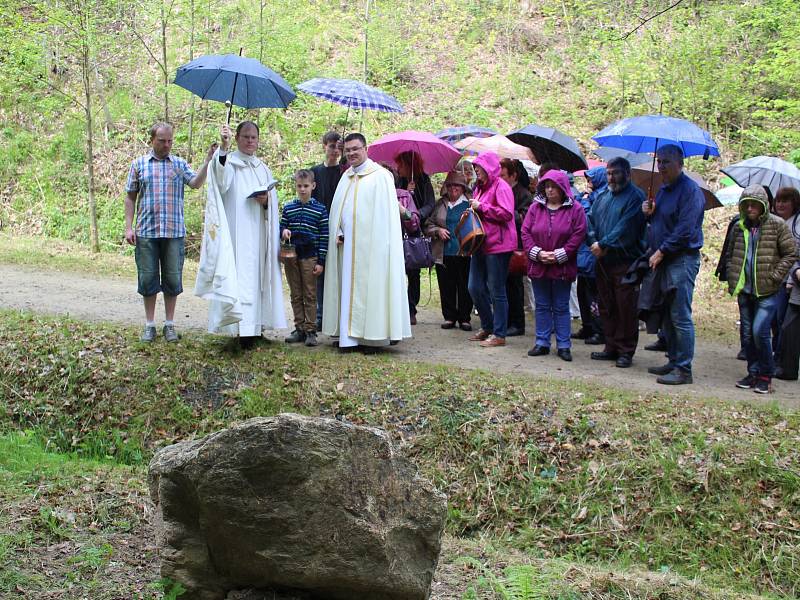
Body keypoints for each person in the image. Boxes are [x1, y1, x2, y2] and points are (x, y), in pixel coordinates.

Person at [195, 121, 286, 349]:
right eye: (245, 136)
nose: (249, 141)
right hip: (237, 233)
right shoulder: (229, 162)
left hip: (259, 235)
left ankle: (256, 327)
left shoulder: (262, 168)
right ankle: (239, 328)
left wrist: (267, 203)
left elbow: (272, 202)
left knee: (257, 279)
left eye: (253, 137)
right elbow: (222, 182)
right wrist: (223, 149)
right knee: (239, 278)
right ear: (236, 138)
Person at [125, 122, 215, 343]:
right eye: (162, 141)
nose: (166, 145)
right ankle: (149, 325)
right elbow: (130, 196)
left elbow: (195, 183)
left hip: (174, 231)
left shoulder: (178, 164)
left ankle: (170, 324)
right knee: (147, 279)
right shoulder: (139, 165)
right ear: (152, 140)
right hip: (146, 231)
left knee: (173, 279)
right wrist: (128, 227)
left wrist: (207, 162)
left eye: (170, 141)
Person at [322, 133, 411, 352]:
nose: (352, 153)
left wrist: (378, 242)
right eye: (349, 150)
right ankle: (347, 335)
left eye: (356, 149)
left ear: (366, 149)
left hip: (372, 248)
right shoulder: (346, 177)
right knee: (346, 287)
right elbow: (339, 211)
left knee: (371, 289)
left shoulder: (381, 177)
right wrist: (339, 229)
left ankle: (372, 337)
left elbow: (385, 217)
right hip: (347, 247)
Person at [641, 144, 705, 385]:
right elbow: (660, 222)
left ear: (680, 164)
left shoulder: (690, 191)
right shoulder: (664, 190)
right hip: (663, 259)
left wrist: (662, 251)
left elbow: (685, 230)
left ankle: (684, 369)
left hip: (682, 259)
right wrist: (649, 212)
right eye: (659, 162)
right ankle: (673, 359)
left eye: (666, 162)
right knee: (667, 313)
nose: (662, 166)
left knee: (680, 314)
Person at [725, 185, 796, 393]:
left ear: (763, 205)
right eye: (746, 204)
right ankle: (753, 372)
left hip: (767, 290)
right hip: (745, 291)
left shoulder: (777, 225)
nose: (750, 208)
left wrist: (775, 276)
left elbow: (790, 254)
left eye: (754, 204)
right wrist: (732, 275)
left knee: (760, 332)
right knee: (747, 335)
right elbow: (730, 255)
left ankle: (766, 373)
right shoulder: (739, 226)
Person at [586, 157, 647, 368]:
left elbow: (626, 227)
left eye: (616, 173)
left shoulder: (636, 197)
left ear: (627, 174)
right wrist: (593, 241)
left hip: (625, 260)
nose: (612, 177)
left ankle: (625, 350)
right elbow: (590, 219)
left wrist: (603, 244)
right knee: (606, 304)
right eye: (609, 173)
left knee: (625, 307)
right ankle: (610, 345)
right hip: (602, 260)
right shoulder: (604, 195)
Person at [522, 170, 587, 361]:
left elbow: (578, 234)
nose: (549, 190)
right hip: (539, 263)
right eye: (546, 186)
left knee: (560, 305)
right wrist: (538, 253)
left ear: (562, 188)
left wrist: (560, 255)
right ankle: (542, 342)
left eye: (553, 186)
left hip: (562, 266)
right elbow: (525, 232)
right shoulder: (535, 208)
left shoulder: (575, 209)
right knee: (541, 305)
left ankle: (564, 344)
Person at [466, 152, 517, 348]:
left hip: (498, 245)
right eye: (475, 167)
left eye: (478, 167)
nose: (476, 170)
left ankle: (499, 333)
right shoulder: (479, 187)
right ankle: (487, 326)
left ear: (488, 167)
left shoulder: (501, 186)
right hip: (480, 243)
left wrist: (482, 207)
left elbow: (506, 213)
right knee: (474, 286)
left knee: (497, 289)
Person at [280, 169, 329, 347]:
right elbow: (282, 226)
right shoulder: (288, 208)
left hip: (310, 257)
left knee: (310, 293)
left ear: (313, 186)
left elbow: (324, 236)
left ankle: (310, 330)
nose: (302, 189)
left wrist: (321, 261)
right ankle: (299, 328)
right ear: (295, 186)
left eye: (306, 186)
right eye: (299, 186)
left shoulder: (320, 209)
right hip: (291, 257)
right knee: (295, 293)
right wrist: (283, 232)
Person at [425, 171, 473, 331]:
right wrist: (438, 230)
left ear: (463, 187)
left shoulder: (470, 204)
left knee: (464, 285)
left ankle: (465, 318)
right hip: (443, 252)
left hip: (465, 252)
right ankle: (449, 317)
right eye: (450, 185)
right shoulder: (441, 204)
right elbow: (428, 224)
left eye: (457, 185)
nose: (453, 188)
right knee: (446, 285)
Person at [396, 151, 436, 324]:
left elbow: (430, 204)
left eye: (401, 165)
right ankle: (398, 307)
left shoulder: (424, 180)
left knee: (413, 271)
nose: (398, 168)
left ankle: (411, 308)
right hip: (397, 229)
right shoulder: (397, 180)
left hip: (415, 230)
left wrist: (416, 215)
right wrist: (406, 192)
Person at [310, 131, 343, 331]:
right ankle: (320, 314)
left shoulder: (344, 172)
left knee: (337, 270)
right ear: (324, 146)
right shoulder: (315, 172)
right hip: (319, 227)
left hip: (338, 226)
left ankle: (335, 313)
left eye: (338, 147)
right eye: (331, 146)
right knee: (320, 271)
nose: (334, 151)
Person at [573, 166, 606, 345]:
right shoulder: (589, 195)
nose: (588, 183)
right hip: (583, 252)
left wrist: (584, 200)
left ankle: (598, 329)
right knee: (582, 292)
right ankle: (587, 326)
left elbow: (587, 217)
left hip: (593, 251)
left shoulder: (601, 196)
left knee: (594, 295)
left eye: (591, 179)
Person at [500, 158, 533, 337]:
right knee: (503, 284)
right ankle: (506, 320)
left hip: (517, 245)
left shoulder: (523, 194)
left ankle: (517, 323)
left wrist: (506, 212)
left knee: (515, 285)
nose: (500, 178)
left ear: (513, 176)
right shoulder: (501, 191)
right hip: (502, 243)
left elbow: (526, 218)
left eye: (504, 175)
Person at [771, 187, 800, 372]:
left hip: (789, 280)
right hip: (775, 278)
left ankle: (781, 360)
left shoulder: (796, 224)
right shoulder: (775, 222)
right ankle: (777, 356)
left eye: (785, 201)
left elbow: (794, 254)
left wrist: (792, 276)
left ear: (794, 203)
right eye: (779, 201)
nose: (781, 204)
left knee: (783, 321)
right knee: (775, 320)